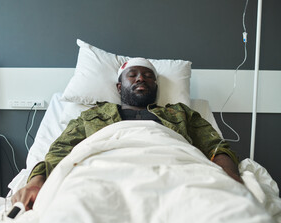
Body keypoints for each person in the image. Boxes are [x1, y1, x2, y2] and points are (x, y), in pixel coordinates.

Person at [12, 58, 243, 210]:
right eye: (132, 75)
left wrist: (229, 177)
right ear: (120, 87)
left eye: (148, 75)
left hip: (173, 165)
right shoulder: (93, 116)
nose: (141, 78)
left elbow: (216, 146)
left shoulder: (181, 114)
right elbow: (59, 150)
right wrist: (36, 181)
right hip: (100, 171)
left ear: (155, 86)